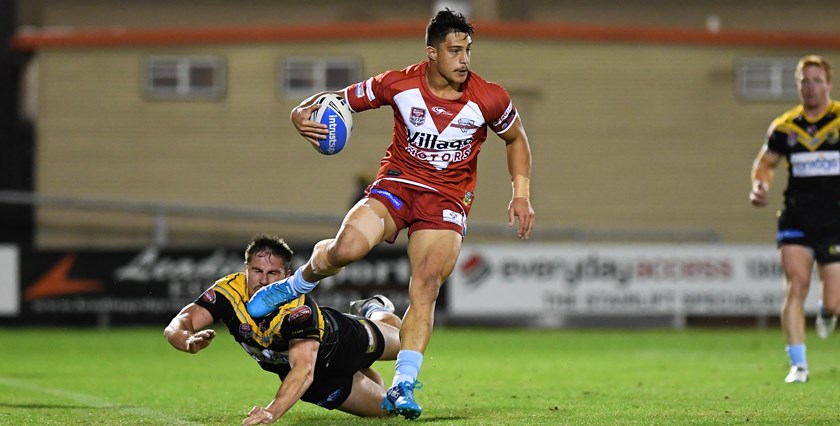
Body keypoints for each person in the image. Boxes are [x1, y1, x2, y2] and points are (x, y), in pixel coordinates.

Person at [247, 8, 535, 419]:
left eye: (468, 50)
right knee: (345, 249)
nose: (464, 59)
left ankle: (403, 384)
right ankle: (294, 285)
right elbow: (339, 100)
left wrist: (520, 194)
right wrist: (299, 113)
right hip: (397, 186)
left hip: (446, 200)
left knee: (427, 283)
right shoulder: (397, 84)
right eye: (454, 51)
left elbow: (516, 138)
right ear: (432, 53)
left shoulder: (490, 97)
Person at [164, 233, 403, 424]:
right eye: (257, 271)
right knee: (390, 412)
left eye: (273, 273)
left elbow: (303, 369)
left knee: (405, 341)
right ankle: (361, 370)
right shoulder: (228, 293)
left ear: (286, 276)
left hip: (342, 342)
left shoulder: (297, 309)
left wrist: (272, 411)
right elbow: (180, 322)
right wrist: (185, 340)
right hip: (319, 383)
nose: (264, 281)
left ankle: (372, 309)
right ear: (246, 269)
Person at [749, 54, 840, 384]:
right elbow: (765, 164)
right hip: (797, 217)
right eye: (805, 81)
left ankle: (827, 310)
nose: (810, 87)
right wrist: (760, 186)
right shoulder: (785, 127)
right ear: (797, 85)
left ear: (829, 84)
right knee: (796, 285)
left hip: (835, 221)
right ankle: (798, 366)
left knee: (835, 300)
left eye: (817, 81)